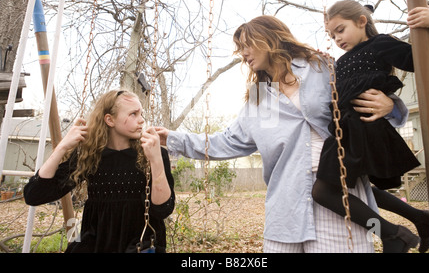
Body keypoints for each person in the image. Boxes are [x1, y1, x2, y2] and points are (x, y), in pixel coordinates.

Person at [156, 15, 409, 253]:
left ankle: (398, 233)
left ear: (268, 38)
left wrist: (391, 106)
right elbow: (230, 141)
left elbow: (361, 93)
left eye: (246, 45)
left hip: (339, 193)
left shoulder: (319, 68)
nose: (243, 54)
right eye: (240, 49)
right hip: (286, 205)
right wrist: (173, 138)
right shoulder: (260, 96)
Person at [312, 0, 429, 253]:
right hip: (345, 132)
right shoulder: (339, 63)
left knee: (324, 192)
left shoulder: (380, 44)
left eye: (340, 30)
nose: (337, 38)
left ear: (361, 22)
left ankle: (392, 233)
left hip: (364, 129)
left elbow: (424, 62)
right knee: (359, 192)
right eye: (332, 35)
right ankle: (417, 220)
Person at [24, 90, 175, 253]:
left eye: (141, 113)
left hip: (139, 243)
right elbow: (34, 194)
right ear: (109, 120)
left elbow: (163, 209)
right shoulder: (89, 155)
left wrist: (156, 160)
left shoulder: (153, 153)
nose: (141, 120)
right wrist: (62, 147)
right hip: (98, 243)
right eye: (133, 114)